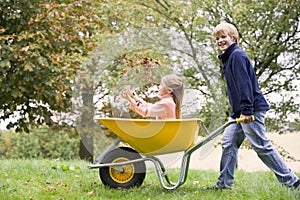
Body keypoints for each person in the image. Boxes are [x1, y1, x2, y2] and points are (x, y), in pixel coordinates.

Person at [206, 22, 299, 189]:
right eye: (217, 38)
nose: (220, 40)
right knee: (228, 143)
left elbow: (244, 84)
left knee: (261, 146)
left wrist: (247, 110)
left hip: (251, 110)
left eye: (223, 37)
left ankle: (292, 182)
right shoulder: (228, 58)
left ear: (233, 38)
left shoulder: (237, 56)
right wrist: (237, 112)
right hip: (238, 112)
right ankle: (224, 184)